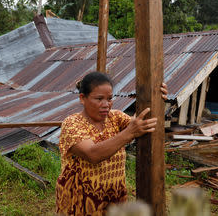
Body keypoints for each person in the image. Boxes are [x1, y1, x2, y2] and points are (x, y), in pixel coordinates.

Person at [56, 71, 168, 215]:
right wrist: (129, 133)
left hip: (114, 202)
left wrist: (158, 99)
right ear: (82, 99)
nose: (106, 105)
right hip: (79, 204)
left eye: (109, 98)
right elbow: (92, 154)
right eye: (99, 99)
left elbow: (143, 123)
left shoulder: (115, 118)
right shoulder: (72, 124)